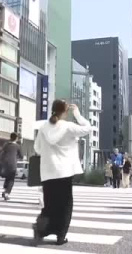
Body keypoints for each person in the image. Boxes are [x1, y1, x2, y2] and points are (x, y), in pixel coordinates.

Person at [33, 100, 92, 246]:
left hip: (47, 172)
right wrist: (77, 114)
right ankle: (60, 236)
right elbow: (87, 128)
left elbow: (37, 148)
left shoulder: (43, 127)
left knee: (49, 205)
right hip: (64, 172)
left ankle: (40, 230)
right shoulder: (68, 127)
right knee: (65, 205)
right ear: (65, 112)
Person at [0, 132, 23, 201]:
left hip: (5, 164)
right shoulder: (17, 146)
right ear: (16, 138)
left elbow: (2, 152)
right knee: (11, 179)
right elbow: (21, 156)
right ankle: (7, 193)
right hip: (12, 164)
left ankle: (4, 190)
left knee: (7, 177)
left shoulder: (6, 145)